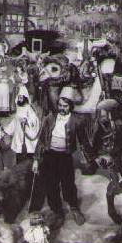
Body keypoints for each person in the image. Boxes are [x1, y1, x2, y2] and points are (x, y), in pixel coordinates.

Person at [30, 96, 87, 226]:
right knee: (51, 185)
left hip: (65, 157)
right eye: (60, 105)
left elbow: (83, 142)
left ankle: (74, 207)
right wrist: (36, 160)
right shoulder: (49, 119)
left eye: (65, 106)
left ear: (70, 107)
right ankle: (57, 211)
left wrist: (87, 157)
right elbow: (41, 141)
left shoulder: (76, 121)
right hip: (50, 156)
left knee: (68, 184)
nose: (62, 108)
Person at [3, 95, 40, 164]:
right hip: (19, 134)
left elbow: (34, 119)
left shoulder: (29, 108)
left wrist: (27, 120)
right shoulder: (18, 108)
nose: (19, 99)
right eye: (19, 97)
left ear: (25, 98)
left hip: (28, 135)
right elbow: (15, 120)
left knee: (29, 156)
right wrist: (7, 130)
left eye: (21, 98)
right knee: (19, 156)